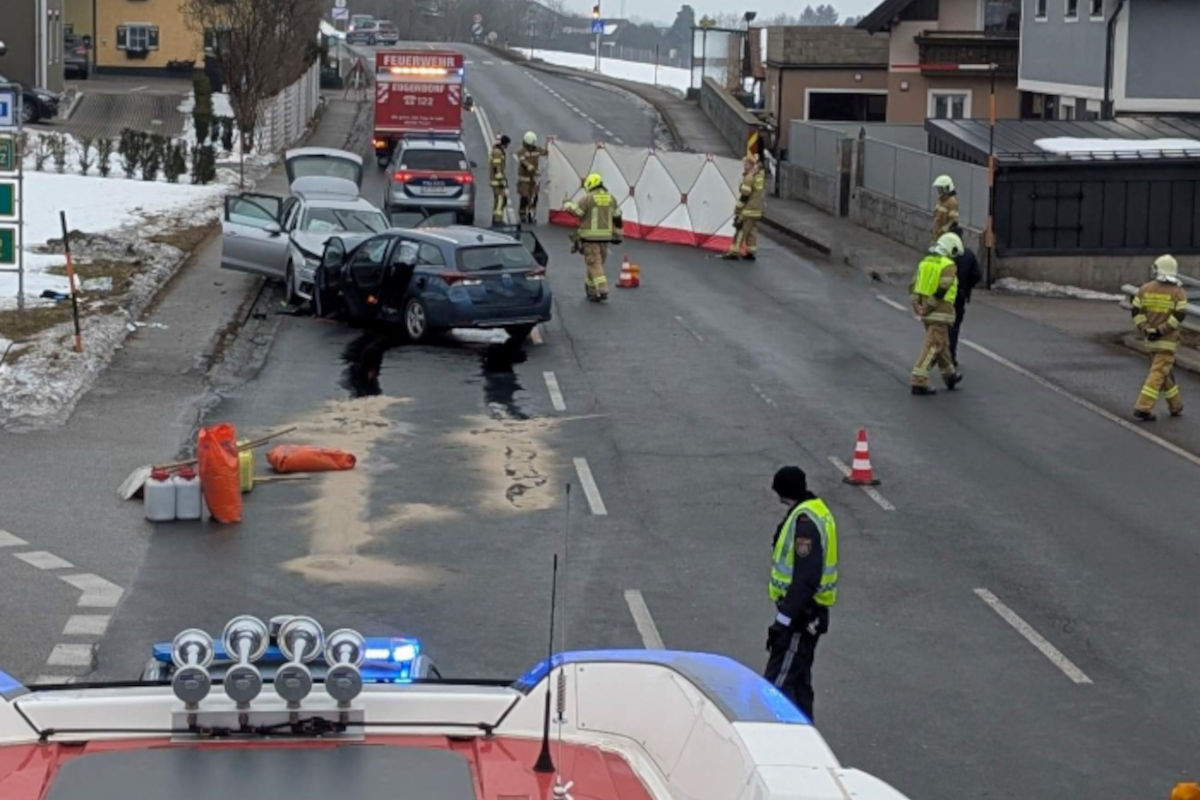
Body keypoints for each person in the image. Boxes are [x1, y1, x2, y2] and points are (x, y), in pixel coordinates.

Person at [764, 466, 838, 722]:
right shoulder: (815, 511)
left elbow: (805, 578)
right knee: (798, 683)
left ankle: (765, 739)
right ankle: (807, 737)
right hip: (807, 613)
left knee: (777, 683)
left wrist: (782, 621)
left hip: (801, 616)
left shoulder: (804, 522)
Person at [1132, 254, 1188, 421]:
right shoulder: (1178, 292)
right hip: (1167, 342)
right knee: (1157, 374)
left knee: (1165, 373)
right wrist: (1161, 330)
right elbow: (1179, 316)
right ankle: (1143, 407)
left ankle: (1175, 405)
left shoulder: (1145, 288)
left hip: (1150, 340)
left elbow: (1136, 311)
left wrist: (1146, 329)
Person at [910, 232, 963, 395]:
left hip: (925, 310)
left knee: (942, 344)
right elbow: (943, 287)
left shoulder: (925, 262)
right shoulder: (948, 265)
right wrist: (931, 306)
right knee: (934, 346)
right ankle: (919, 380)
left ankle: (950, 375)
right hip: (940, 311)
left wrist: (917, 304)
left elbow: (914, 284)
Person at [563, 172, 623, 302]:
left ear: (590, 184)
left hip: (589, 238)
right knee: (596, 263)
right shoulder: (610, 198)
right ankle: (590, 290)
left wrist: (567, 205)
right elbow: (617, 216)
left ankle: (602, 289)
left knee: (594, 263)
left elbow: (578, 213)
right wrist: (618, 231)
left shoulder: (588, 198)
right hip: (605, 238)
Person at [948, 224, 981, 367]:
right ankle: (951, 355)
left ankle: (940, 356)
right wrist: (967, 286)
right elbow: (977, 275)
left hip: (943, 296)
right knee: (954, 327)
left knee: (940, 327)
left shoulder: (945, 253)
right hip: (960, 295)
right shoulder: (968, 254)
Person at [723, 156, 767, 261]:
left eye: (746, 164)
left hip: (748, 210)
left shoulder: (749, 178)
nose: (744, 167)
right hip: (757, 210)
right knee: (752, 231)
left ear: (751, 165)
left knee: (741, 230)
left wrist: (737, 210)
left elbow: (744, 196)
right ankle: (751, 252)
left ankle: (734, 252)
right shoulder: (760, 176)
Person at [517, 131, 549, 224]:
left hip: (534, 178)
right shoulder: (521, 151)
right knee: (525, 196)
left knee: (534, 196)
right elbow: (523, 160)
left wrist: (550, 144)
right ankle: (522, 213)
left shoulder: (537, 149)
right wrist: (528, 166)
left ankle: (532, 213)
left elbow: (546, 152)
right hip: (524, 178)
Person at [489, 134, 511, 225]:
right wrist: (501, 180)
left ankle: (496, 218)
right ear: (505, 144)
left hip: (497, 181)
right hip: (497, 182)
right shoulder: (498, 152)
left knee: (499, 200)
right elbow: (497, 167)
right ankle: (497, 220)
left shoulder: (498, 151)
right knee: (500, 200)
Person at [931, 174, 959, 242]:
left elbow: (953, 221)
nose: (938, 191)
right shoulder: (941, 199)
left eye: (940, 188)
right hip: (936, 234)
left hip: (944, 237)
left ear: (947, 188)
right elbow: (937, 215)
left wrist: (944, 229)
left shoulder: (952, 202)